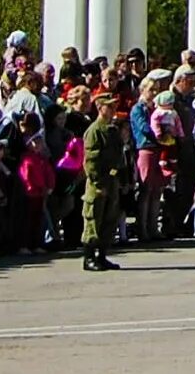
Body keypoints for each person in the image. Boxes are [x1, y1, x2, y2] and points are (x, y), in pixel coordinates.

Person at [78, 94, 132, 272]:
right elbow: (91, 160)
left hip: (112, 180)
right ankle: (89, 257)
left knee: (109, 220)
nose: (113, 110)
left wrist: (122, 179)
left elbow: (119, 156)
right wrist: (97, 182)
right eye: (109, 106)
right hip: (99, 183)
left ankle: (102, 255)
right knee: (94, 219)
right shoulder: (95, 130)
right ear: (100, 108)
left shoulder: (111, 129)